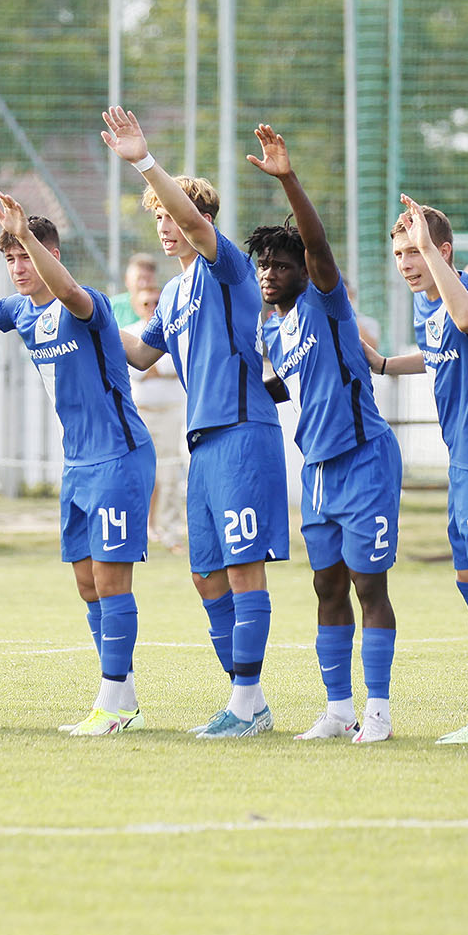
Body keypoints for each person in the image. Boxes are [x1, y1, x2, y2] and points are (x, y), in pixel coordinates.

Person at [0, 196, 156, 735]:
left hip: (119, 456)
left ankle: (111, 706)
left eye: (27, 256)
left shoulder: (87, 303)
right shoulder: (20, 311)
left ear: (51, 254)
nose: (18, 268)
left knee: (111, 579)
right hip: (77, 464)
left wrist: (24, 233)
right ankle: (125, 700)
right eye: (10, 259)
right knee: (86, 584)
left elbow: (71, 291)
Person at [104, 105, 289, 738]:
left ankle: (245, 705)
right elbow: (138, 352)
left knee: (242, 570)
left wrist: (145, 163)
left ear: (199, 222)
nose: (164, 225)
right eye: (156, 217)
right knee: (205, 574)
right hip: (202, 443)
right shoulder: (175, 294)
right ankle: (248, 701)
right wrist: (78, 305)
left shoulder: (225, 266)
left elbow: (188, 215)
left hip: (243, 431)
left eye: (171, 216)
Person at [244, 125, 401, 744]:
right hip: (315, 470)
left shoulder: (326, 305)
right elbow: (287, 393)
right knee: (325, 583)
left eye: (281, 266)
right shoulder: (271, 334)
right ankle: (338, 710)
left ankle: (380, 712)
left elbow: (316, 244)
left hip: (364, 460)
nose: (270, 273)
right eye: (264, 265)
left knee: (369, 586)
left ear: (304, 273)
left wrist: (287, 176)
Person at [370, 197, 468, 744]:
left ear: (442, 252)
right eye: (398, 253)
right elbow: (437, 349)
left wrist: (433, 257)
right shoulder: (425, 305)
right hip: (463, 461)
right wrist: (387, 363)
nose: (405, 263)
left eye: (414, 251)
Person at [125, 276, 186, 550]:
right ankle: (139, 532)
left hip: (170, 413)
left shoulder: (175, 332)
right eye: (146, 302)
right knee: (140, 475)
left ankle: (171, 533)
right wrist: (151, 367)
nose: (151, 307)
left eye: (156, 302)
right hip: (141, 413)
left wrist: (150, 368)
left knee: (170, 475)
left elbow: (175, 368)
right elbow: (133, 370)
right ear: (137, 305)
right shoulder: (128, 331)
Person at [110, 253, 160, 327]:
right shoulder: (113, 307)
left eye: (148, 279)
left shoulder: (163, 306)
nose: (144, 284)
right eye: (139, 278)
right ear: (127, 280)